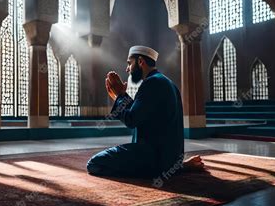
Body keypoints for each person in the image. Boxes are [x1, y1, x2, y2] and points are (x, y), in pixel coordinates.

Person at [87, 45, 203, 178]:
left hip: (153, 158)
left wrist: (119, 96)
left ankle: (152, 173)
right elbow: (140, 112)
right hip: (169, 159)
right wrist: (120, 97)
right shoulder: (166, 82)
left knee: (94, 163)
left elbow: (131, 120)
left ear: (140, 61)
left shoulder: (151, 83)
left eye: (129, 63)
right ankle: (174, 168)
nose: (127, 69)